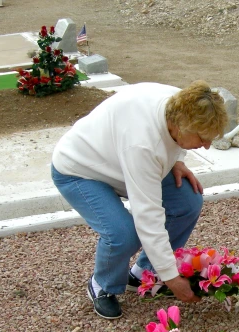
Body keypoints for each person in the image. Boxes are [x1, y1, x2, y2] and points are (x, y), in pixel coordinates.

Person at [51, 81, 229, 319]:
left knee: (187, 203)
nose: (206, 146)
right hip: (81, 171)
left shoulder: (182, 104)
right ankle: (103, 285)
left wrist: (177, 159)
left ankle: (143, 274)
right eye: (202, 138)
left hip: (120, 160)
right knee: (122, 234)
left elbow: (173, 143)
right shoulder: (143, 145)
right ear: (180, 125)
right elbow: (148, 216)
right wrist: (172, 278)